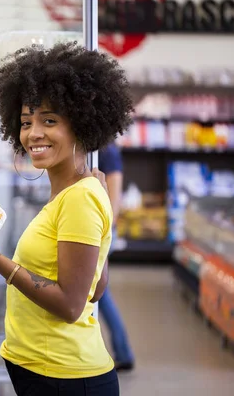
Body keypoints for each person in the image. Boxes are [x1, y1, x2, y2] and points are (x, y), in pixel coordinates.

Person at [0, 42, 133, 396]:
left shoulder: (80, 198)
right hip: (49, 371)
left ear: (81, 124)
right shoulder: (75, 191)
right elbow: (96, 289)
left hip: (66, 378)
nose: (34, 134)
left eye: (49, 121)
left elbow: (71, 305)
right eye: (26, 122)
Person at [98, 143, 135, 371]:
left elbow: (115, 192)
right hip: (102, 229)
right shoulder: (102, 148)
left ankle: (124, 352)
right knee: (101, 294)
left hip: (103, 231)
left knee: (101, 295)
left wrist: (106, 230)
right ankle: (123, 352)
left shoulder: (107, 151)